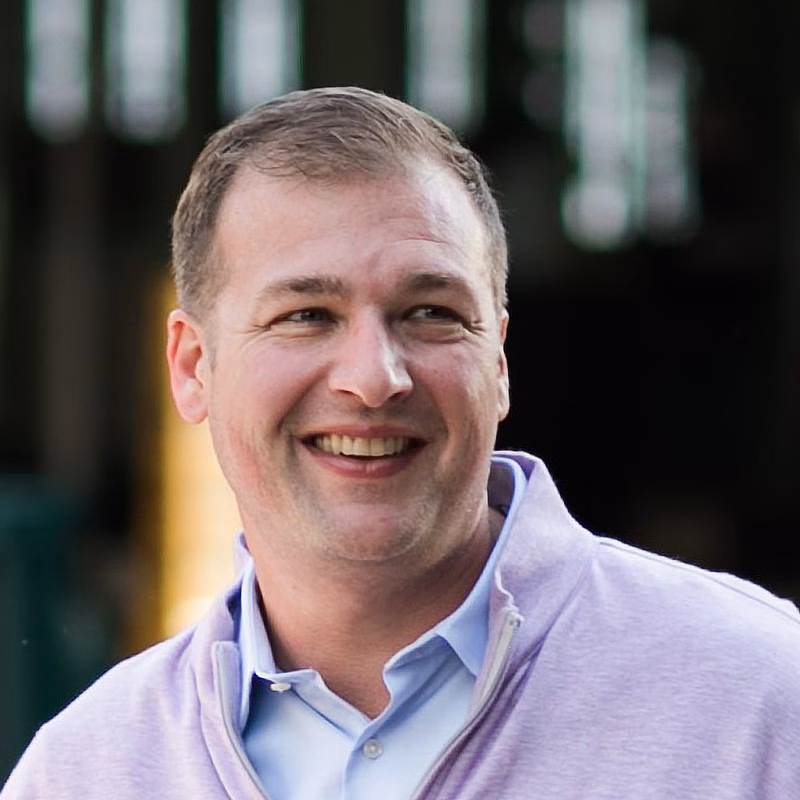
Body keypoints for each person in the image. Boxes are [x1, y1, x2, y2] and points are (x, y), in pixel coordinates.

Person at [3, 86, 800, 800]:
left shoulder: (761, 703)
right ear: (191, 367)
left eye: (431, 313)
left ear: (498, 363)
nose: (375, 378)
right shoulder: (86, 771)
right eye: (306, 315)